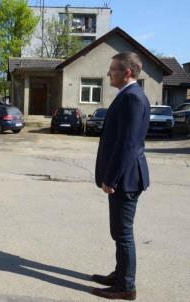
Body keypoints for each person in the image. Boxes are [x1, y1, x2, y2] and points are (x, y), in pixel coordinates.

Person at [91, 52, 151, 300]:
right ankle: (120, 274)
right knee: (119, 231)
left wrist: (111, 178)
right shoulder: (127, 96)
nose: (108, 73)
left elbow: (128, 144)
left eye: (113, 69)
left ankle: (126, 286)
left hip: (125, 179)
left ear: (127, 72)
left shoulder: (133, 98)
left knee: (123, 232)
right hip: (123, 176)